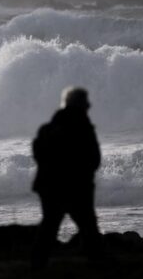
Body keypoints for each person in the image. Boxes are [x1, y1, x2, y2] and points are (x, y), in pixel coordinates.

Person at [31, 86, 102, 269]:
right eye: (85, 103)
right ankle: (97, 260)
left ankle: (38, 263)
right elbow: (93, 158)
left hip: (49, 186)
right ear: (79, 105)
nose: (88, 106)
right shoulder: (82, 127)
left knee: (50, 225)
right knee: (88, 225)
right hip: (74, 187)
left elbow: (39, 154)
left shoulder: (49, 128)